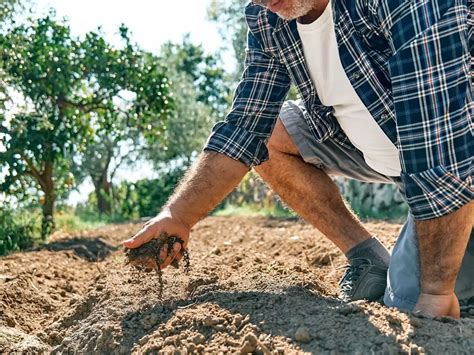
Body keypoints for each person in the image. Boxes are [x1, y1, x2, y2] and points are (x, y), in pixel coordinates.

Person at [123, 0, 473, 319]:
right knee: (270, 135)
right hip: (402, 154)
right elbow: (246, 129)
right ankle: (367, 257)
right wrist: (178, 215)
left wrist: (435, 291)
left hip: (458, 158)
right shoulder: (270, 18)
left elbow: (442, 147)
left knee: (416, 305)